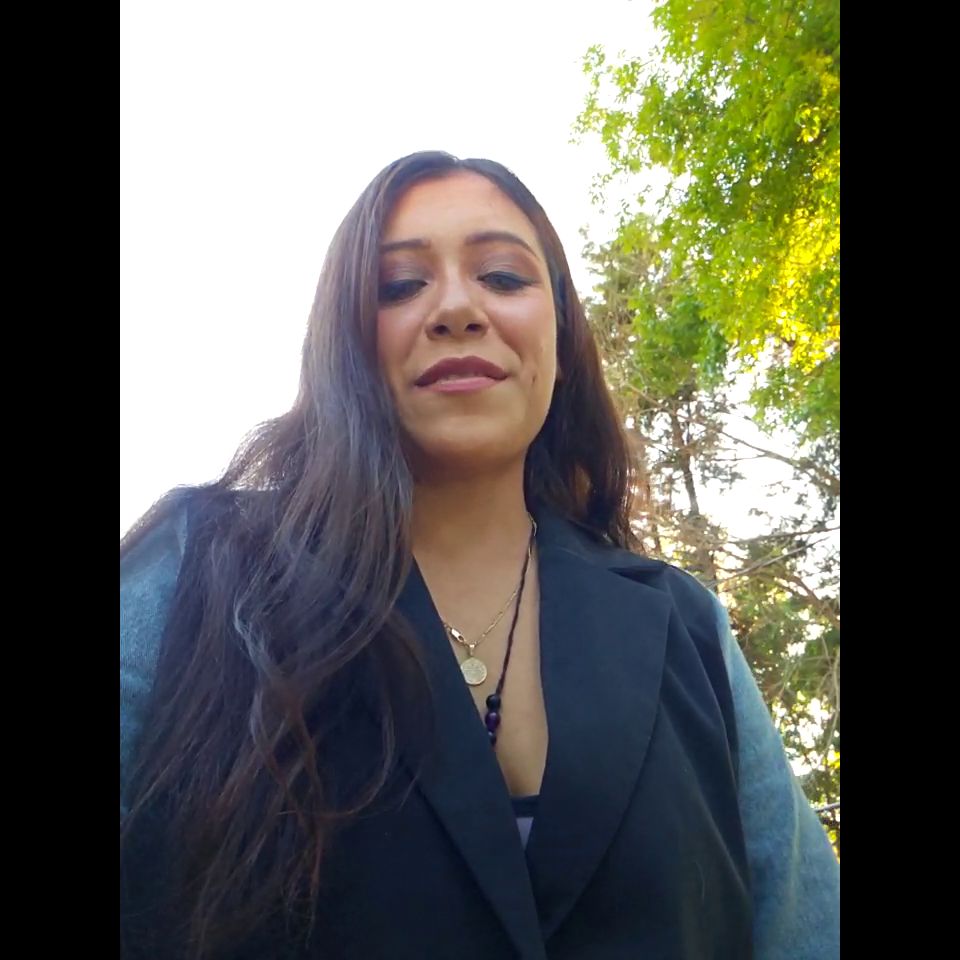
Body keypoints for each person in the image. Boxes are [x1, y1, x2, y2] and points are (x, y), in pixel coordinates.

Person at [120, 150, 839, 959]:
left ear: (561, 338)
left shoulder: (688, 626)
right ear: (343, 342)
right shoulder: (193, 573)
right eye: (400, 285)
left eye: (502, 276)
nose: (457, 308)